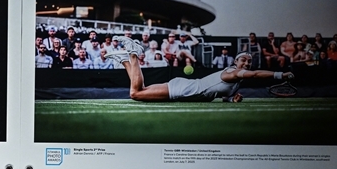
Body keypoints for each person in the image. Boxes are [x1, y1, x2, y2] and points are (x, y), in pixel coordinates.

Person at [108, 36, 292, 102]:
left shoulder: (235, 80)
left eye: (249, 62)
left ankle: (126, 60)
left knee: (140, 90)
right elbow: (257, 74)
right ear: (236, 62)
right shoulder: (236, 72)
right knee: (135, 93)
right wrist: (279, 74)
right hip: (183, 90)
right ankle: (133, 55)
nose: (246, 64)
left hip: (185, 86)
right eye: (243, 60)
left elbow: (217, 94)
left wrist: (230, 100)